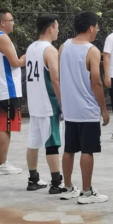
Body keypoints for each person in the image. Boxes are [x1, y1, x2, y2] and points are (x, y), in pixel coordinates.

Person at [58, 11, 110, 204]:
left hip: (70, 109)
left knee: (69, 149)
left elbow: (59, 74)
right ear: (90, 27)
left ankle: (68, 187)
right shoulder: (92, 50)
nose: (97, 30)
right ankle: (87, 192)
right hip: (87, 109)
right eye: (96, 27)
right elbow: (96, 82)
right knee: (87, 150)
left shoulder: (63, 47)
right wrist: (103, 109)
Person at [25, 14, 65, 193]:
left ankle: (33, 179)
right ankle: (56, 183)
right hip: (48, 103)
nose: (58, 31)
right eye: (57, 27)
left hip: (34, 104)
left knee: (33, 143)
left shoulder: (31, 47)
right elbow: (55, 78)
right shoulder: (49, 50)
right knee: (52, 143)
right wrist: (62, 102)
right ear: (50, 28)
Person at [0, 9, 26, 175]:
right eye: (11, 20)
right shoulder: (3, 38)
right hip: (8, 89)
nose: (13, 23)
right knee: (6, 127)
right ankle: (2, 163)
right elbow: (15, 62)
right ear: (2, 22)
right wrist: (25, 58)